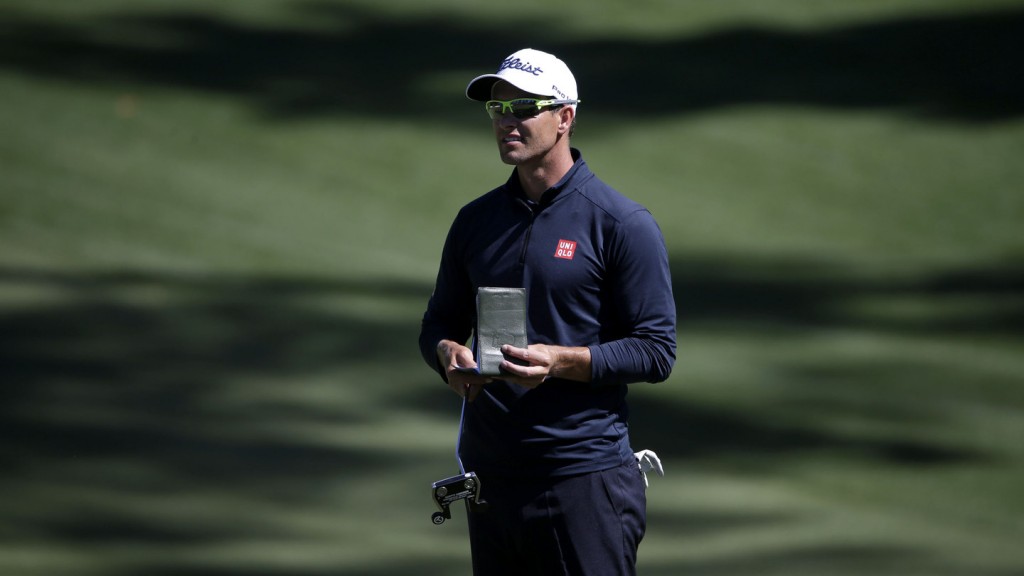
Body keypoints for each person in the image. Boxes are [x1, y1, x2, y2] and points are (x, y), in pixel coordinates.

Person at [419, 48, 676, 576]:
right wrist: (447, 354)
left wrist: (558, 362)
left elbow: (656, 350)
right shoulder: (475, 221)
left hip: (582, 480)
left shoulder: (621, 224)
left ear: (565, 118)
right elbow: (439, 323)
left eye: (524, 106)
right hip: (492, 481)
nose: (507, 120)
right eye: (498, 109)